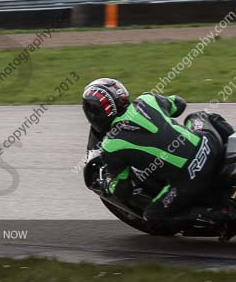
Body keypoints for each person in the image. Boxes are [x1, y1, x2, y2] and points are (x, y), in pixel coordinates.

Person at [82, 77, 234, 234]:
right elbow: (179, 104)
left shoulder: (111, 146)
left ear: (96, 113)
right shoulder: (147, 100)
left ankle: (222, 216)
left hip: (190, 179)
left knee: (153, 216)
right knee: (199, 116)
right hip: (209, 144)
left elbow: (123, 190)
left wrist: (109, 184)